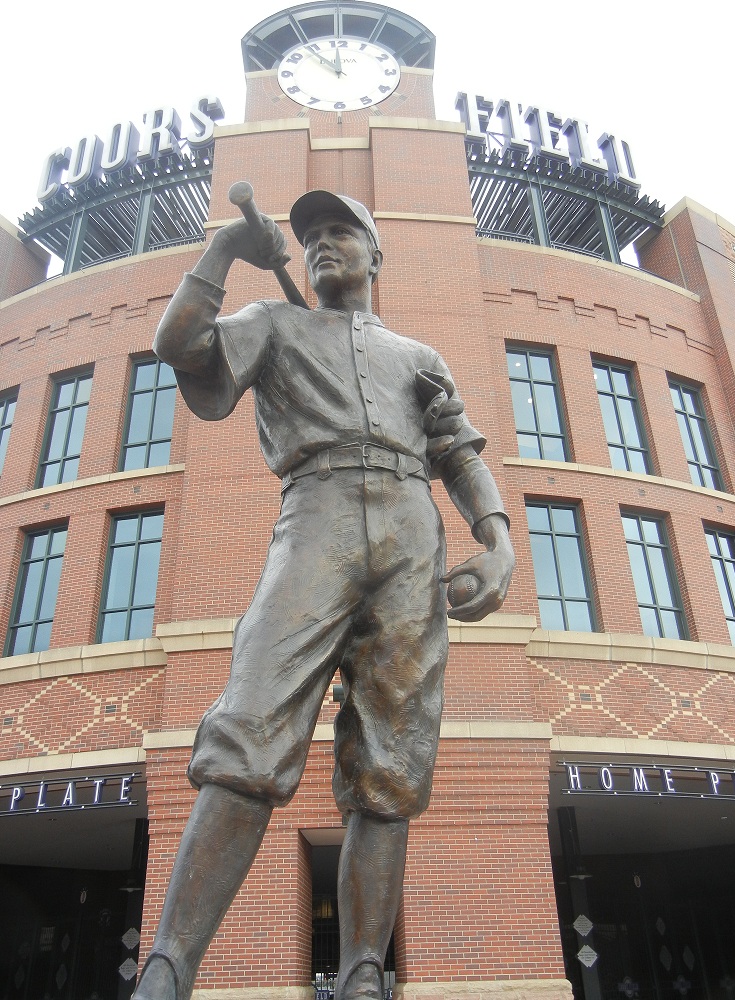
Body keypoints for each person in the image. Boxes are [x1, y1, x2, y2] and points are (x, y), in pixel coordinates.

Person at [134, 190, 515, 1000]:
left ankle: (365, 972)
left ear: (376, 255)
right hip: (318, 514)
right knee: (251, 725)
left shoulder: (418, 354)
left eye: (341, 233)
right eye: (310, 238)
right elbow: (180, 344)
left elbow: (458, 449)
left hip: (413, 535)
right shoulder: (275, 323)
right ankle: (167, 966)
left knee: (390, 759)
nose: (321, 247)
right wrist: (227, 250)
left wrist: (498, 538)